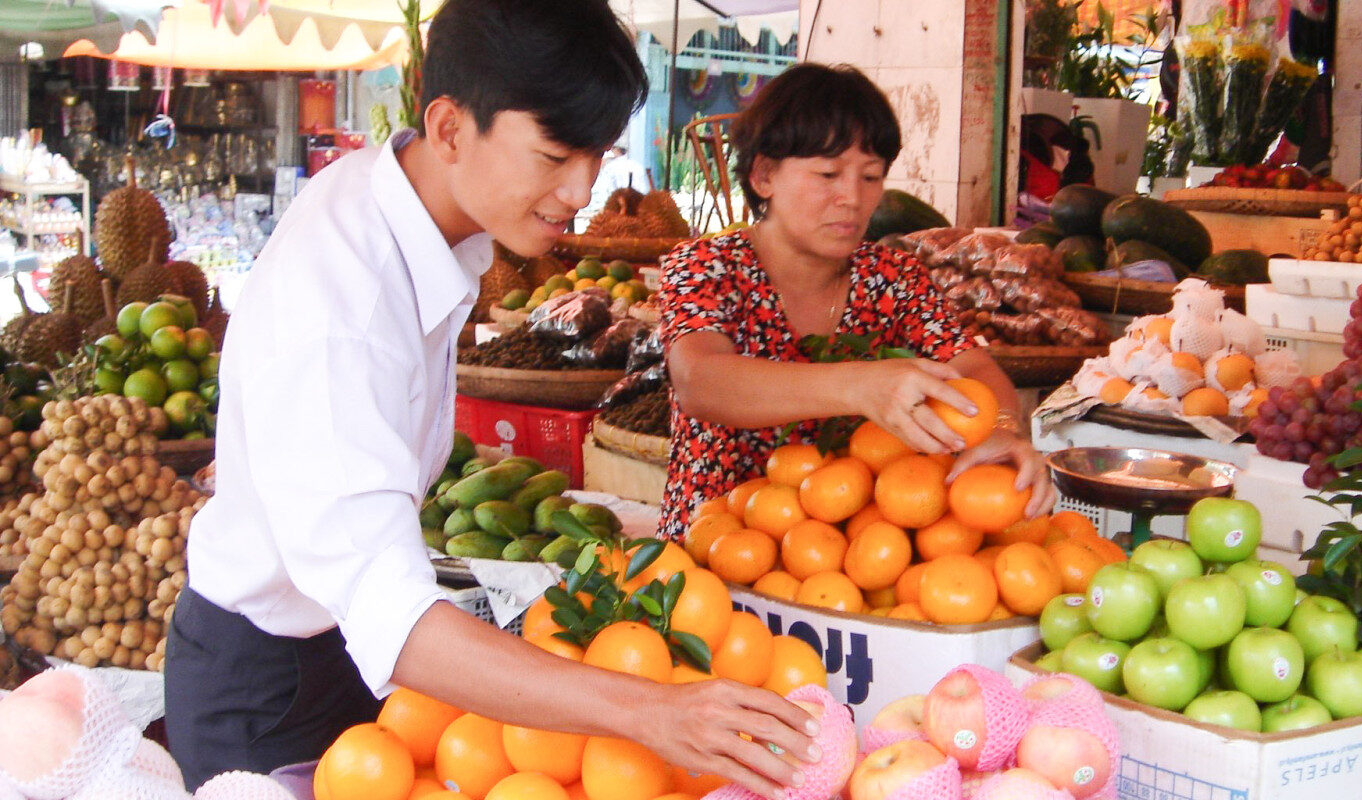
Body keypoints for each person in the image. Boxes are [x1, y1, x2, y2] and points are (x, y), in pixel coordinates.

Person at [164, 1, 818, 796]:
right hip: (264, 688)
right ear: (448, 128)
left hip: (333, 651)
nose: (579, 190)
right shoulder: (344, 311)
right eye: (552, 155)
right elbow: (396, 621)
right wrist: (649, 711)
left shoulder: (420, 210)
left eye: (596, 154)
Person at [656, 63, 1054, 541]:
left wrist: (1002, 430)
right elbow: (700, 380)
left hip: (851, 559)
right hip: (714, 550)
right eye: (828, 174)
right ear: (763, 176)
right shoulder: (705, 265)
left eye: (870, 177)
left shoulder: (893, 277)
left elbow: (974, 370)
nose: (852, 197)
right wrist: (859, 386)